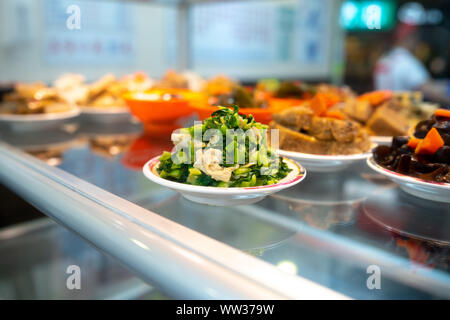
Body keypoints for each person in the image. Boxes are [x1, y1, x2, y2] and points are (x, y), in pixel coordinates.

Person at [374, 23, 450, 107]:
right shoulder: (407, 61)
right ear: (410, 37)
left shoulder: (383, 59)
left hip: (382, 110)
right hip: (401, 113)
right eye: (415, 36)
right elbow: (429, 90)